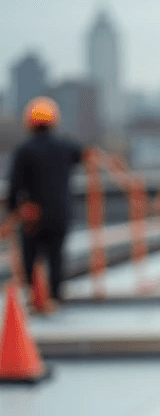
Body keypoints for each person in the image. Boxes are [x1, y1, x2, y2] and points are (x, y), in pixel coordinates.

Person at [1, 97, 82, 313]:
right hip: (60, 213)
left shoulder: (24, 150)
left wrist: (11, 211)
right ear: (54, 121)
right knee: (56, 256)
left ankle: (35, 296)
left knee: (31, 255)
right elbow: (81, 154)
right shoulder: (64, 146)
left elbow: (15, 185)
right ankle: (55, 296)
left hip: (33, 215)